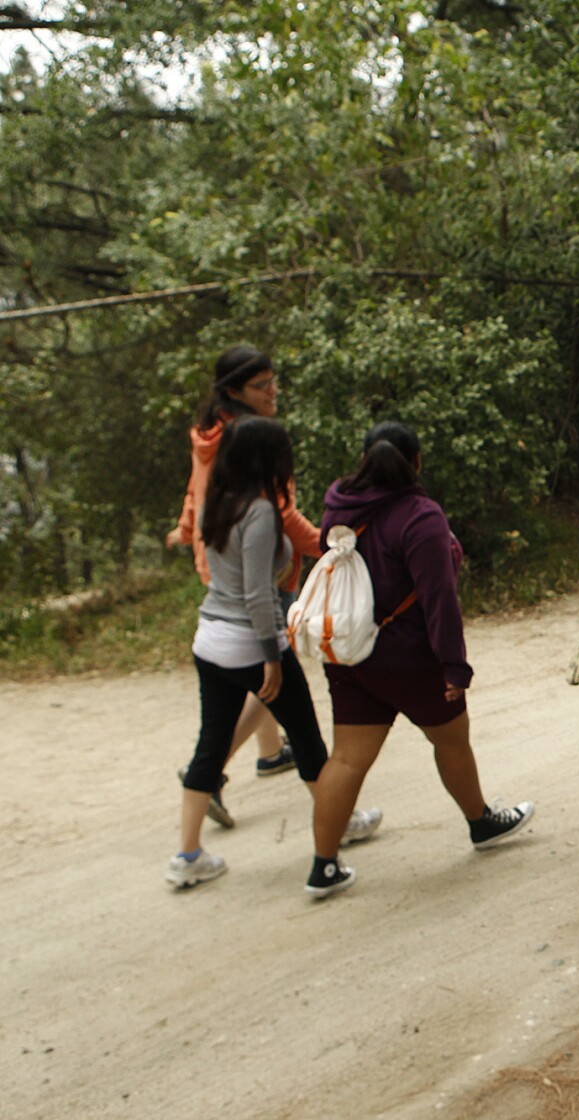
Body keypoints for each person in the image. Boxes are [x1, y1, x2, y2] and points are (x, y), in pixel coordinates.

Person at [305, 421, 534, 899]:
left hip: (350, 657)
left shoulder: (336, 509)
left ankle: (323, 867)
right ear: (417, 461)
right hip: (410, 659)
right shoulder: (419, 515)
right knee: (451, 741)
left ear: (365, 459)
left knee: (346, 759)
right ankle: (481, 822)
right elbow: (439, 599)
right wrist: (454, 666)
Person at [169, 418, 380, 889]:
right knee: (306, 737)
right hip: (251, 642)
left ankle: (187, 855)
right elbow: (257, 594)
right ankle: (339, 823)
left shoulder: (218, 501)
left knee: (211, 743)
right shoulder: (261, 511)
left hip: (210, 640)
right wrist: (271, 656)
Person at [166, 346, 323, 826]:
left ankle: (271, 751)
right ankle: (210, 772)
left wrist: (187, 529)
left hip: (221, 560)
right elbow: (279, 512)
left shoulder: (211, 435)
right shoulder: (251, 442)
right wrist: (328, 545)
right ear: (235, 391)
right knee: (270, 669)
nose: (273, 392)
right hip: (258, 567)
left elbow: (197, 489)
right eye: (262, 385)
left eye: (274, 381)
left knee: (256, 669)